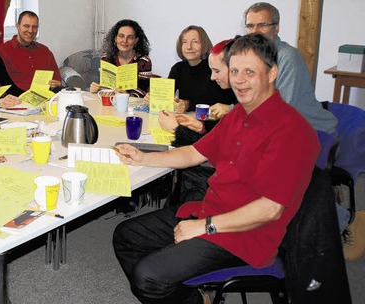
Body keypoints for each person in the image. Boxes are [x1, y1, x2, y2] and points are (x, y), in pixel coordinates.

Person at [112, 33, 319, 303]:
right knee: (127, 236)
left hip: (245, 234)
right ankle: (194, 299)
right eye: (234, 71)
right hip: (211, 211)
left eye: (249, 71)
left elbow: (270, 208)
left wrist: (205, 227)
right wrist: (142, 158)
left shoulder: (291, 130)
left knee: (148, 277)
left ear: (272, 73)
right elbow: (193, 153)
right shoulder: (238, 115)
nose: (239, 80)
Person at [158, 38, 238, 205]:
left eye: (217, 71)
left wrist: (176, 129)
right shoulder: (242, 104)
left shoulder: (241, 109)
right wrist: (200, 127)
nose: (212, 77)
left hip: (230, 192)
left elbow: (212, 150)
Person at [244, 2, 337, 135]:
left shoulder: (287, 57)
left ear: (276, 29)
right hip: (280, 129)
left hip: (313, 133)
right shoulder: (251, 57)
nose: (255, 31)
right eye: (250, 26)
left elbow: (282, 110)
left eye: (262, 25)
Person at [162, 25, 236, 113]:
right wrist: (156, 96)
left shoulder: (214, 67)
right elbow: (166, 96)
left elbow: (220, 102)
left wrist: (188, 105)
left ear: (204, 44)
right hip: (188, 118)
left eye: (195, 42)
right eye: (184, 42)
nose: (189, 47)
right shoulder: (177, 68)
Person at [0, 10, 62, 91]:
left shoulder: (45, 51)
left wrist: (57, 84)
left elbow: (57, 80)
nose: (30, 30)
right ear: (17, 26)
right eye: (26, 26)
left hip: (46, 98)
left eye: (34, 27)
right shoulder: (2, 52)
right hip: (16, 99)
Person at [89, 19, 152, 98]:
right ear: (115, 38)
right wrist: (97, 89)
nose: (124, 41)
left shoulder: (144, 61)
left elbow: (142, 91)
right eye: (121, 36)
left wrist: (126, 96)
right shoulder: (106, 57)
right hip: (110, 103)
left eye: (130, 37)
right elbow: (105, 86)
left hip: (132, 106)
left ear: (136, 40)